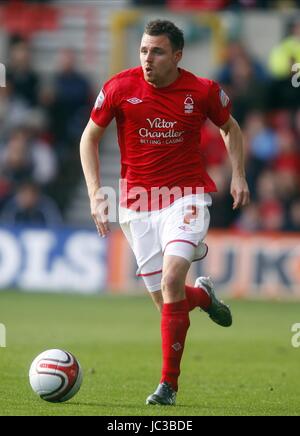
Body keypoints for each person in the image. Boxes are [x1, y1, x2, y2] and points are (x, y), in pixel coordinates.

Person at [80, 20, 250, 406]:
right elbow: (88, 138)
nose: (147, 59)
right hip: (137, 207)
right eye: (143, 50)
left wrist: (238, 174)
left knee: (173, 278)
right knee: (167, 303)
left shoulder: (202, 90)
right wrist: (94, 194)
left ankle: (167, 386)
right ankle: (203, 298)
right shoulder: (119, 88)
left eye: (156, 51)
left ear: (177, 56)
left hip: (185, 197)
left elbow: (231, 128)